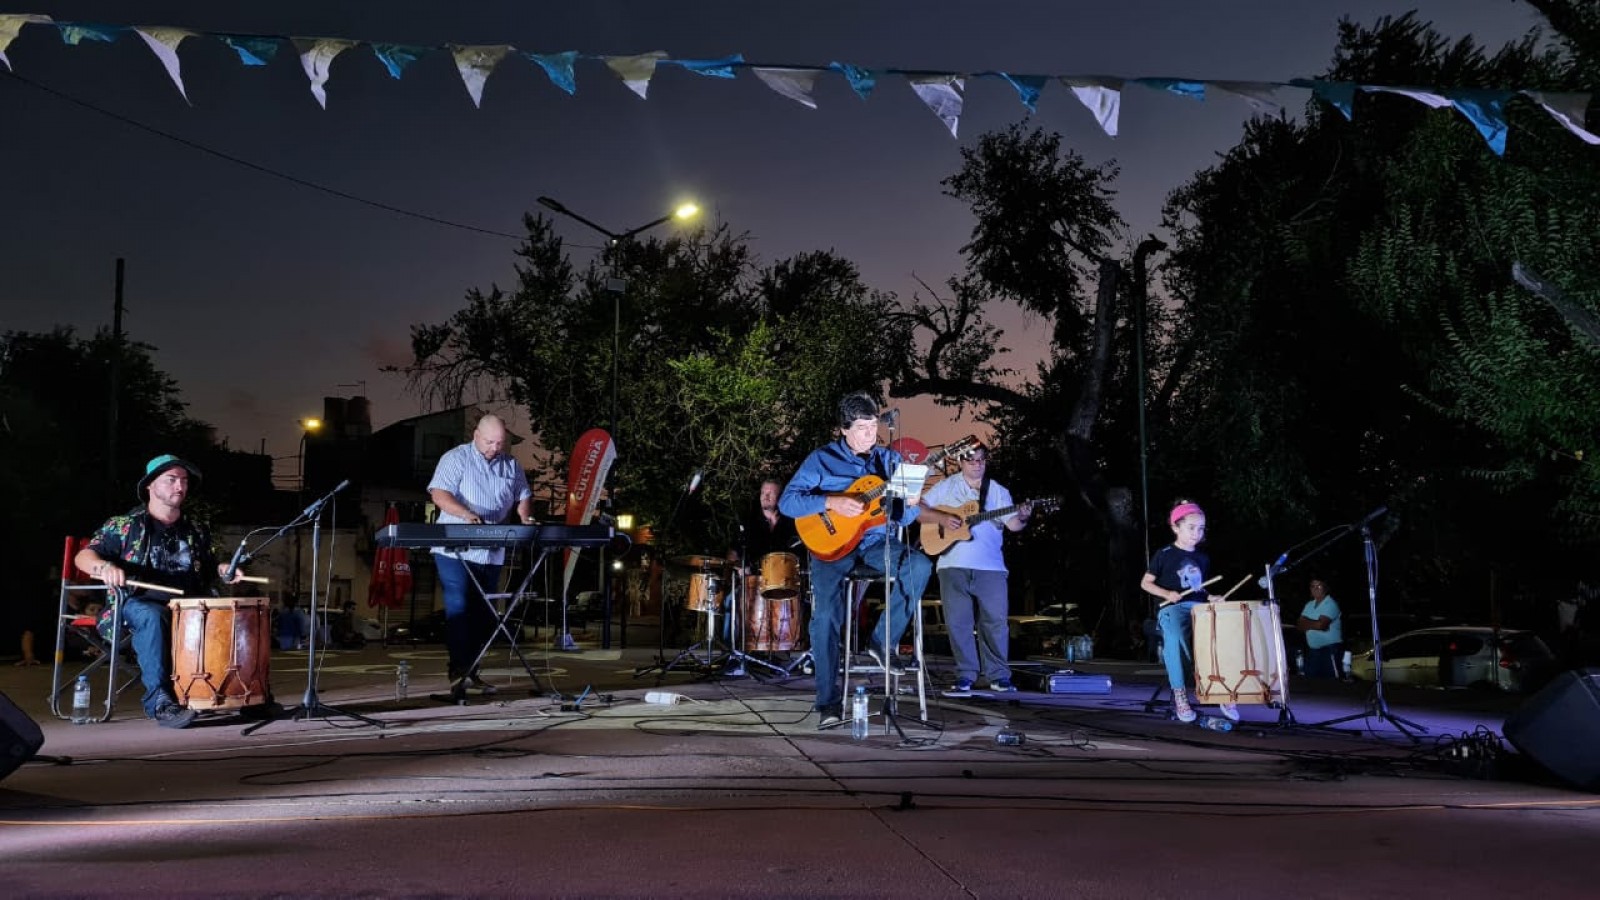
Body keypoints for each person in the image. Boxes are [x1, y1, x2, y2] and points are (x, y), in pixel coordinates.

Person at [779, 392, 933, 729]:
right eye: (862, 427)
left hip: (876, 545)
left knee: (920, 565)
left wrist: (910, 502)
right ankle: (828, 704)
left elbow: (904, 520)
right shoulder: (821, 460)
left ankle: (882, 640)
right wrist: (831, 502)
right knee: (826, 620)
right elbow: (788, 503)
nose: (869, 434)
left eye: (873, 426)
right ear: (844, 430)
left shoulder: (888, 463)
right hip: (831, 549)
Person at [75, 454, 245, 728]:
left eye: (184, 481)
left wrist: (224, 568)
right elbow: (83, 557)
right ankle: (160, 702)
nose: (180, 487)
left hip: (188, 606)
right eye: (171, 480)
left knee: (234, 613)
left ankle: (243, 693)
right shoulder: (124, 525)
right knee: (152, 616)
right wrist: (104, 567)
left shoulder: (195, 529)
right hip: (133, 605)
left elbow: (211, 565)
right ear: (150, 486)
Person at [427, 414, 533, 699]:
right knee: (459, 607)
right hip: (455, 548)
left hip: (492, 551)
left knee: (485, 614)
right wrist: (467, 515)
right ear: (475, 435)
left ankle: (472, 671)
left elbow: (523, 493)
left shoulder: (511, 464)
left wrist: (525, 516)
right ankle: (458, 674)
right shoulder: (456, 458)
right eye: (489, 442)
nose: (494, 448)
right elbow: (439, 493)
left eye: (500, 443)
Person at [918, 443, 1032, 695]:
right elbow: (917, 508)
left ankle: (999, 675)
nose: (977, 464)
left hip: (990, 566)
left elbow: (1013, 525)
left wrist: (1023, 515)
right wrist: (942, 519)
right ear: (961, 462)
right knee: (958, 622)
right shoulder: (947, 486)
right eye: (971, 460)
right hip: (952, 563)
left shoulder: (998, 491)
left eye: (981, 460)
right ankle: (966, 674)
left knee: (995, 621)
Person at [1139, 499, 1237, 724]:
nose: (1196, 533)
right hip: (1172, 608)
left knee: (1223, 634)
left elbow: (1198, 590)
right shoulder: (1164, 554)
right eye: (1191, 528)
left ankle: (1222, 690)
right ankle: (1181, 693)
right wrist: (1166, 594)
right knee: (1174, 638)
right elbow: (1146, 583)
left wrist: (1211, 597)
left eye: (1201, 528)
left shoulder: (1203, 558)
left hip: (1197, 606)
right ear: (1176, 527)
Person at [1296, 577, 1344, 678]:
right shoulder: (1309, 604)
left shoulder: (1330, 603)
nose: (1315, 588)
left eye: (1319, 585)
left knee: (1332, 683)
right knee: (1312, 683)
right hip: (1313, 651)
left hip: (1330, 650)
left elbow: (1322, 625)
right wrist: (1316, 624)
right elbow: (1300, 626)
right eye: (1312, 586)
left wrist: (1308, 622)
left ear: (1325, 588)